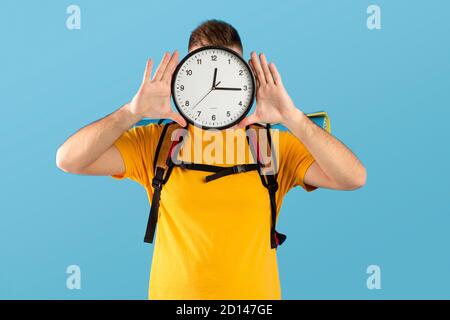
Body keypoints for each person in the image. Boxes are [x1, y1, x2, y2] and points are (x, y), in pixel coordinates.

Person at [56, 19, 366, 299]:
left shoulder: (271, 146)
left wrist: (292, 117)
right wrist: (131, 112)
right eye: (202, 75)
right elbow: (69, 160)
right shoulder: (157, 143)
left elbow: (353, 178)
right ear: (184, 79)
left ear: (245, 79)